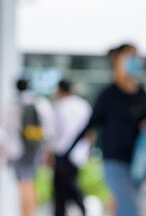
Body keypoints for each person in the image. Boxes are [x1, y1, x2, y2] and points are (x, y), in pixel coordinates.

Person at [86, 44, 146, 216]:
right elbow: (91, 124)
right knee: (130, 209)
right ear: (118, 60)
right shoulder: (108, 94)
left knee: (124, 205)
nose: (136, 61)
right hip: (114, 159)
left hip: (138, 162)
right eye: (131, 56)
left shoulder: (141, 93)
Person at [6, 78, 55, 216]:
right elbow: (48, 128)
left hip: (18, 149)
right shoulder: (40, 102)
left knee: (23, 184)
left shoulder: (13, 105)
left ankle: (25, 213)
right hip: (35, 148)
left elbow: (8, 130)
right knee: (31, 183)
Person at [50, 79, 93, 216]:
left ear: (61, 89)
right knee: (70, 183)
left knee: (62, 189)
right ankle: (81, 209)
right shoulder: (83, 105)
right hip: (79, 152)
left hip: (62, 152)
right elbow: (90, 131)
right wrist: (88, 149)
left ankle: (80, 209)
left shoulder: (59, 106)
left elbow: (54, 132)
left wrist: (50, 151)